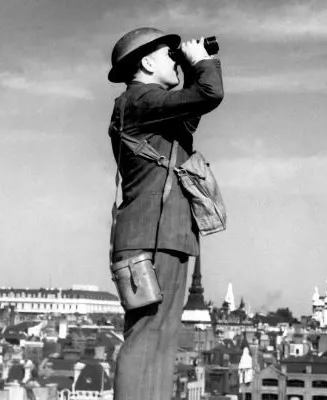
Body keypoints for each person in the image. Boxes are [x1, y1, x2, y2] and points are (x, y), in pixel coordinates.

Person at [106, 27, 223, 400]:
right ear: (146, 61)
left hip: (162, 236)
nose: (176, 58)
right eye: (169, 54)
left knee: (160, 341)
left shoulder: (148, 109)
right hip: (151, 238)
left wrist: (189, 68)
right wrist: (202, 62)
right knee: (145, 339)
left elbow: (189, 117)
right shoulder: (139, 100)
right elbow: (209, 94)